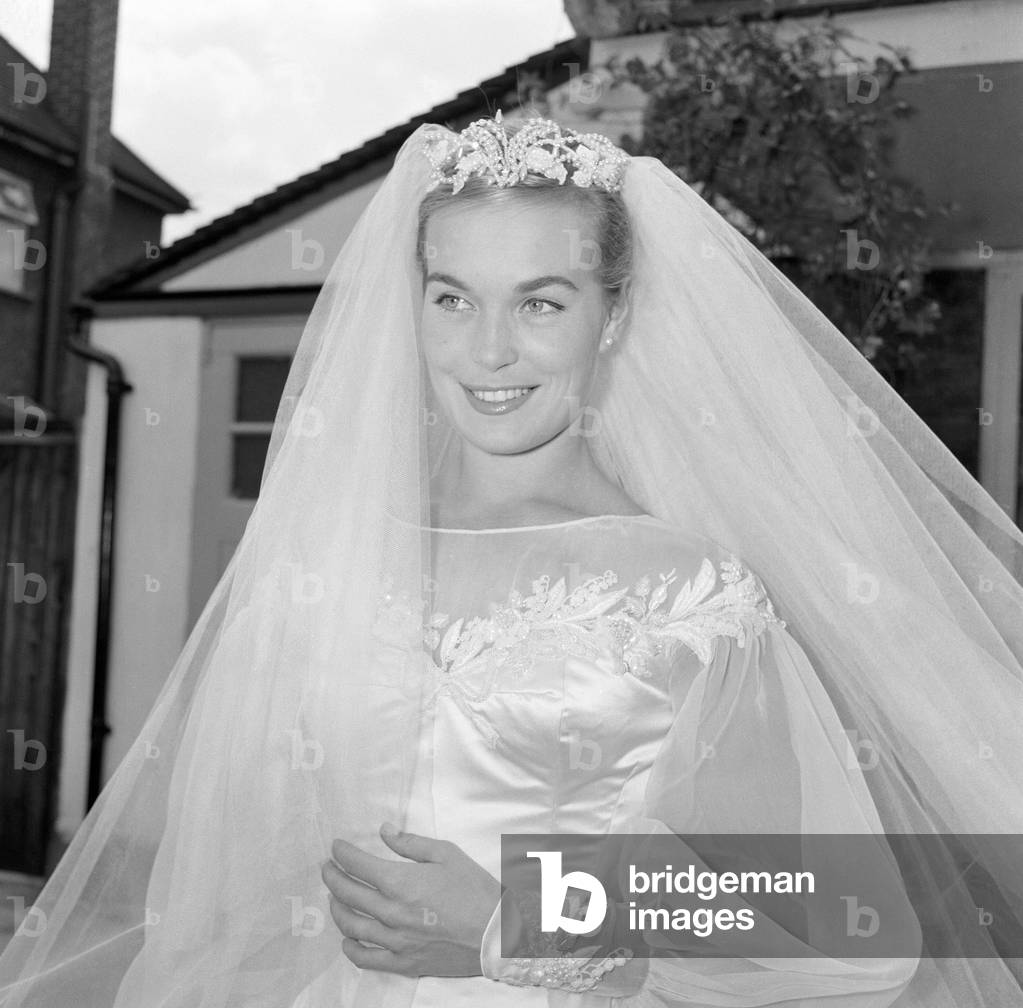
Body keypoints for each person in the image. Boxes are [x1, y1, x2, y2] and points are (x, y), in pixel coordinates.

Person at [1, 113, 1021, 1008]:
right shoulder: (324, 557)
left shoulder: (688, 591)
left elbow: (833, 913)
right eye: (453, 298)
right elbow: (232, 874)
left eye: (541, 302)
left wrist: (515, 923)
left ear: (612, 315)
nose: (488, 351)